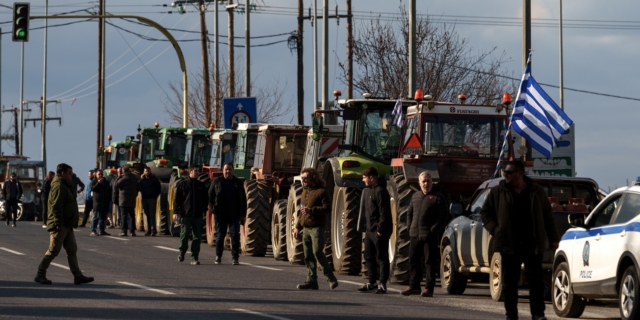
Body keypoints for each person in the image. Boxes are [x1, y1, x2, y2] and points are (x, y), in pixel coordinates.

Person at [481, 160, 560, 320]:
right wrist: (496, 230)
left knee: (535, 282)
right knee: (510, 283)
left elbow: (547, 216)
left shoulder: (536, 191)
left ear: (520, 173)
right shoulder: (498, 192)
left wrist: (553, 239)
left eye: (509, 173)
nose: (506, 176)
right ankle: (511, 315)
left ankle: (538, 314)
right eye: (505, 173)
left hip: (532, 243)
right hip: (509, 244)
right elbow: (485, 213)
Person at [34, 163, 94, 285]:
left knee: (72, 249)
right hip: (60, 224)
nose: (71, 176)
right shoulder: (59, 186)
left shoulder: (65, 185)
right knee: (53, 250)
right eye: (69, 173)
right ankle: (40, 274)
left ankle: (78, 276)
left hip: (67, 224)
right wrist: (58, 222)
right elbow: (56, 206)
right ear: (62, 174)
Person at [401, 172, 448, 297]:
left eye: (428, 181)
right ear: (419, 183)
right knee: (413, 261)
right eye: (424, 181)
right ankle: (414, 286)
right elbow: (409, 212)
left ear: (432, 182)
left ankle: (428, 288)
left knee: (429, 262)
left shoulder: (438, 198)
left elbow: (442, 216)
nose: (426, 184)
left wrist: (433, 230)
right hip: (415, 235)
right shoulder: (415, 196)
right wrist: (410, 227)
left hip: (429, 237)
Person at [294, 168, 338, 290]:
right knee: (308, 256)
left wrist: (312, 211)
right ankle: (311, 280)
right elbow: (301, 212)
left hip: (317, 228)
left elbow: (327, 208)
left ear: (313, 178)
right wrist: (297, 227)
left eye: (305, 178)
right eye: (302, 178)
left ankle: (330, 277)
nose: (303, 181)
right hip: (306, 229)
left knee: (317, 252)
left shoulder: (322, 192)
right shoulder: (304, 193)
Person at [357, 167, 392, 294]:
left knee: (382, 257)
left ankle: (382, 283)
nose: (363, 180)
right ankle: (371, 282)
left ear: (372, 178)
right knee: (368, 256)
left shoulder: (381, 192)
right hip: (369, 230)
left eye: (364, 177)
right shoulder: (367, 191)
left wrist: (380, 229)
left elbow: (384, 213)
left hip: (379, 231)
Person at [208, 162, 246, 265]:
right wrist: (213, 209)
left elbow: (243, 200)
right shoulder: (217, 181)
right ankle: (218, 256)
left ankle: (235, 258)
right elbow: (210, 196)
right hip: (220, 214)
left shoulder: (237, 183)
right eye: (226, 169)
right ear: (223, 170)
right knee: (220, 236)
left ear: (233, 170)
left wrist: (243, 215)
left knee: (234, 236)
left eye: (229, 169)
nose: (227, 171)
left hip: (234, 214)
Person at [175, 165, 208, 265]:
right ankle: (182, 252)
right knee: (184, 235)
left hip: (198, 215)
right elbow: (178, 200)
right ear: (190, 172)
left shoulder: (201, 185)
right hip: (186, 215)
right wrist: (176, 212)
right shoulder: (183, 184)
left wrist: (203, 209)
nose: (198, 173)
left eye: (198, 171)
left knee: (197, 237)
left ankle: (194, 257)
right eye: (196, 171)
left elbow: (205, 199)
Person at [115, 164, 140, 237]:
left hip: (123, 200)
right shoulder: (135, 178)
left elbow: (116, 185)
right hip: (132, 199)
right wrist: (134, 194)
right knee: (132, 215)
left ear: (123, 170)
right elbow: (138, 187)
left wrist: (119, 177)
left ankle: (124, 231)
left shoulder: (123, 178)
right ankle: (132, 231)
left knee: (124, 216)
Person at [139, 166, 161, 236]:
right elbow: (140, 188)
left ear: (150, 171)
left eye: (148, 171)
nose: (147, 172)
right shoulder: (142, 180)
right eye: (146, 171)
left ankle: (153, 229)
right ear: (144, 172)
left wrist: (155, 195)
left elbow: (159, 188)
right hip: (144, 199)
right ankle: (148, 230)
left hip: (152, 199)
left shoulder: (154, 179)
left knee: (152, 214)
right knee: (147, 214)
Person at [90, 170, 112, 236]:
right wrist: (98, 183)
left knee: (103, 218)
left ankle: (101, 230)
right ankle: (93, 230)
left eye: (101, 174)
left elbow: (109, 191)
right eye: (99, 174)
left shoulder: (106, 182)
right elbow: (93, 188)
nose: (100, 175)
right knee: (96, 217)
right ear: (96, 175)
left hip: (105, 202)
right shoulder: (94, 181)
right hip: (97, 202)